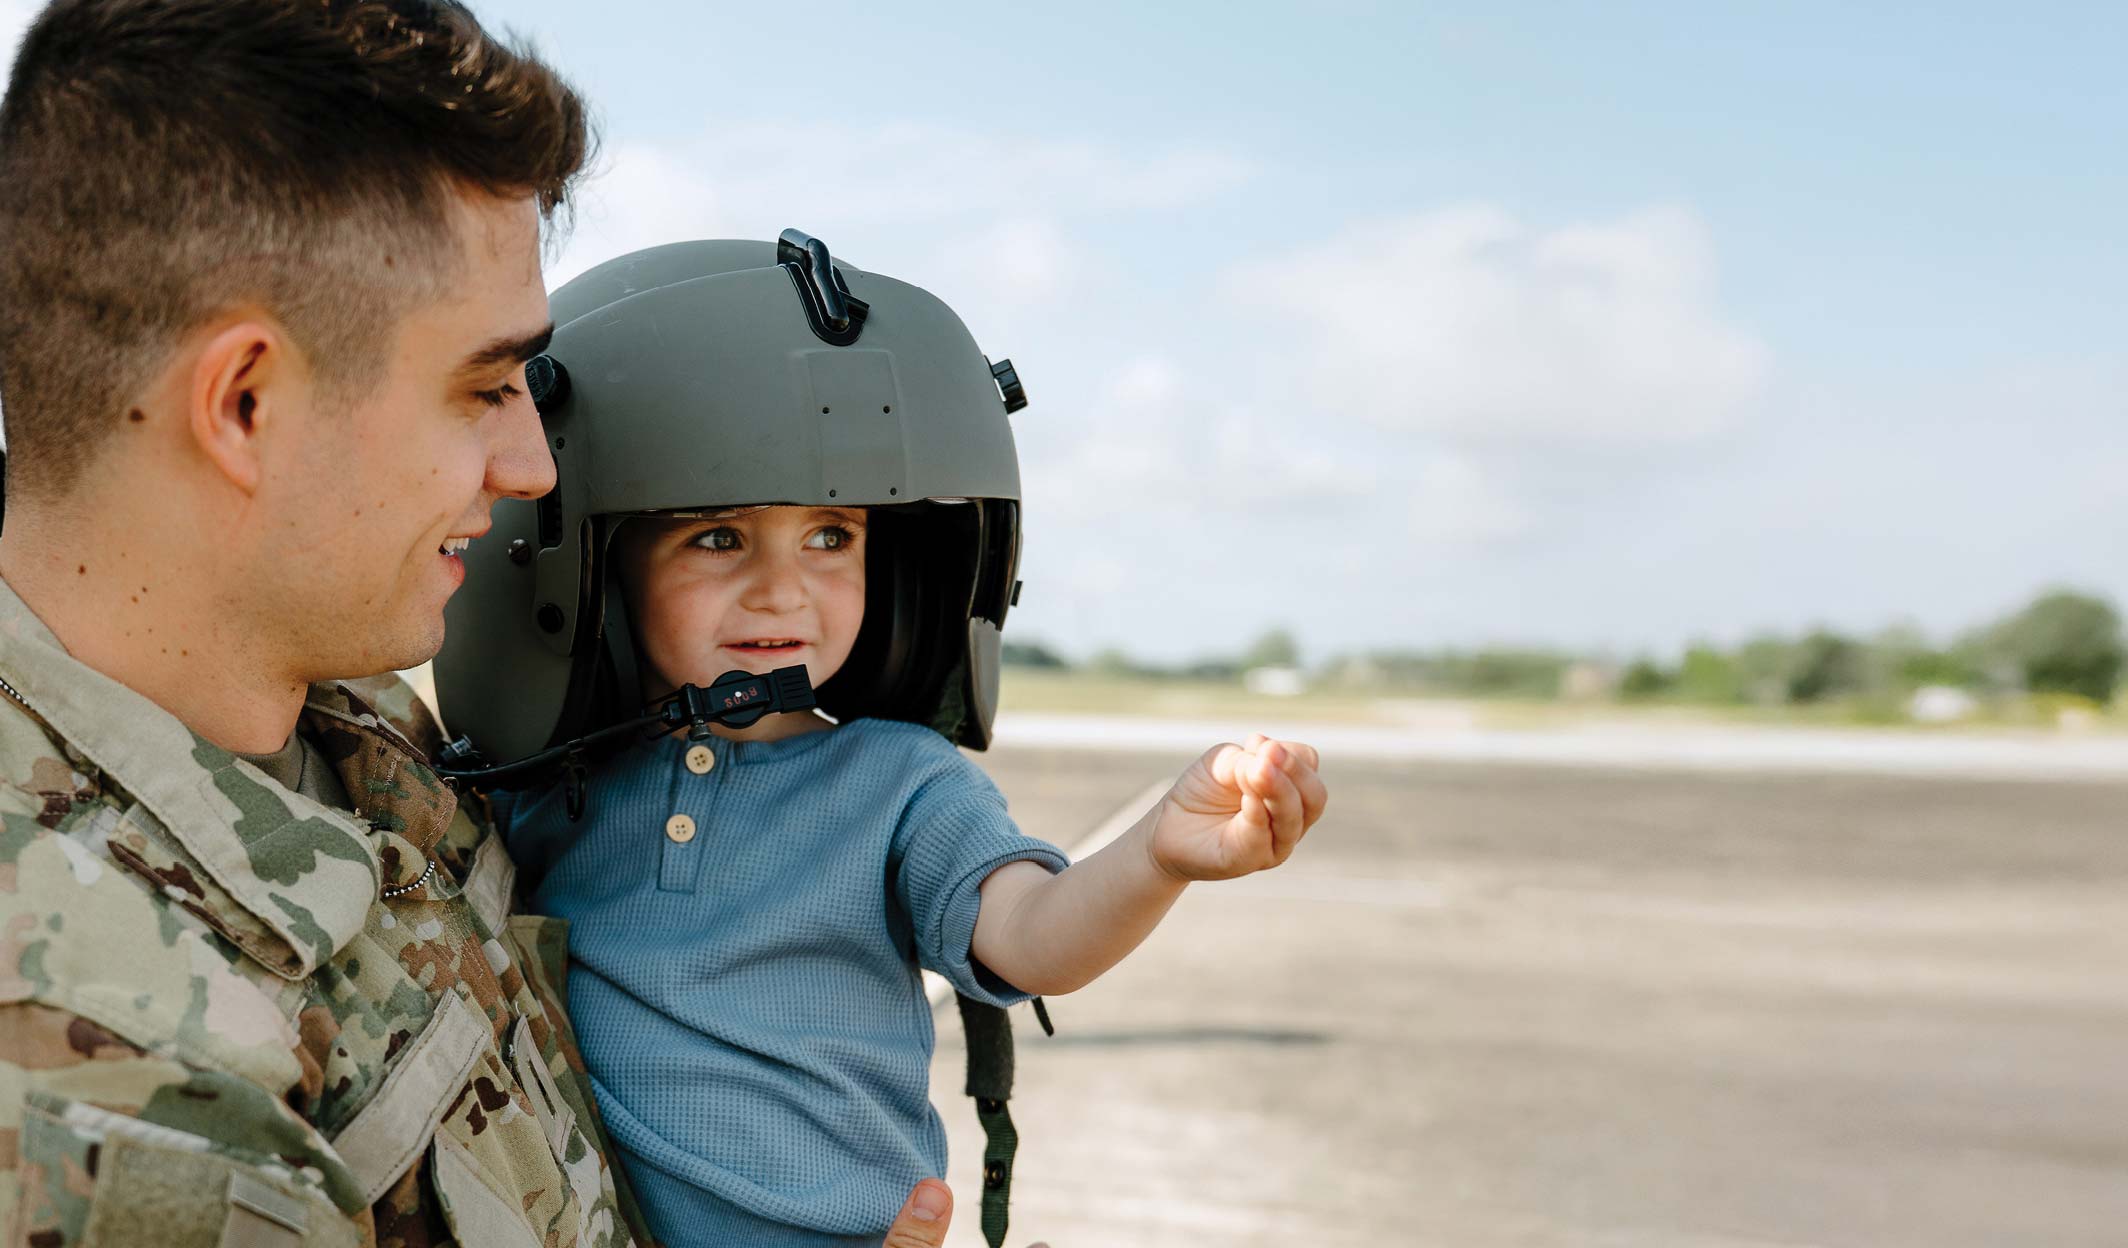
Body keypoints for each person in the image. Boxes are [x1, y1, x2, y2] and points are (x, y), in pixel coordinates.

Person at [0, 4, 974, 1245]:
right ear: (244, 403)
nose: (530, 464)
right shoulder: (99, 1083)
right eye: (482, 388)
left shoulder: (349, 720)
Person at [433, 236, 1331, 1247]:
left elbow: (1030, 937)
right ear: (595, 573)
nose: (783, 589)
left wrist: (1158, 857)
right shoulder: (546, 782)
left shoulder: (894, 781)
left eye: (830, 537)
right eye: (716, 537)